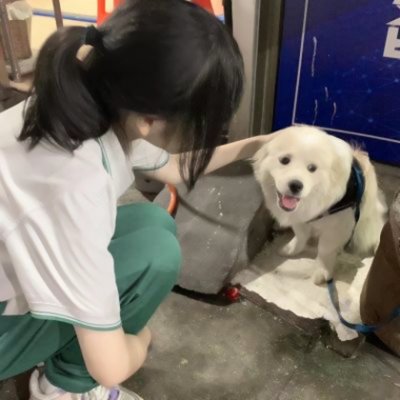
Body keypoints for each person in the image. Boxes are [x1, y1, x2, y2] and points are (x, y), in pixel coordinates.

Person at [0, 0, 275, 399]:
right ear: (150, 119)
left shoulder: (78, 104)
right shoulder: (78, 186)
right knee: (156, 256)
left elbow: (176, 169)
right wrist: (140, 339)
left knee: (154, 225)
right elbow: (110, 365)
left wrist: (262, 144)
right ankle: (62, 389)